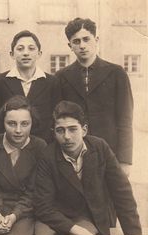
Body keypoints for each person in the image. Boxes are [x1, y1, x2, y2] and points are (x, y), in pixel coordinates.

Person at [33, 101, 143, 235]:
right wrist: (80, 231)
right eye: (60, 130)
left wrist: (132, 231)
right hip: (54, 215)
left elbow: (121, 190)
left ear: (84, 130)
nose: (67, 136)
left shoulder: (100, 147)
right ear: (53, 132)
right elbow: (43, 206)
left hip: (87, 215)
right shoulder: (47, 155)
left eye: (73, 129)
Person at [56, 18, 133, 176]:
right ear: (70, 46)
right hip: (74, 155)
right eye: (76, 41)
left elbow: (125, 119)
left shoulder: (117, 73)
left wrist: (125, 161)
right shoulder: (61, 77)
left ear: (96, 40)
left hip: (109, 154)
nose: (82, 45)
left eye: (86, 39)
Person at [0, 95, 47, 235]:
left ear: (32, 123)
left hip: (24, 210)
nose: (18, 130)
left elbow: (34, 191)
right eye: (11, 123)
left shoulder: (40, 147)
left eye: (25, 124)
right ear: (2, 122)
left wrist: (15, 215)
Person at [0, 30, 60, 142]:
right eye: (20, 49)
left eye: (31, 48)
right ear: (12, 54)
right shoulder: (0, 81)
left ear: (39, 53)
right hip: (11, 145)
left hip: (43, 147)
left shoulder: (52, 82)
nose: (26, 53)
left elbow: (55, 119)